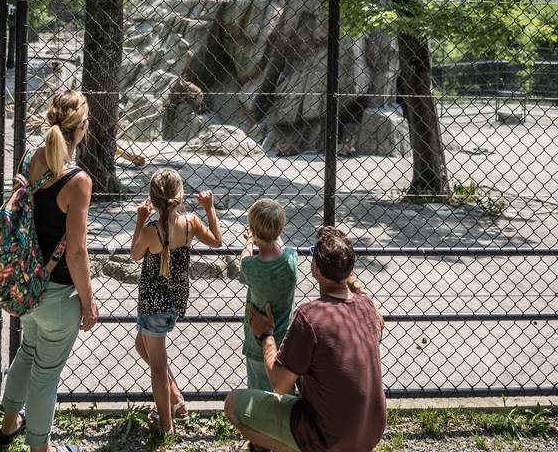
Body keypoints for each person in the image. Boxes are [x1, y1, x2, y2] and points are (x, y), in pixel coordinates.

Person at [0, 90, 99, 452]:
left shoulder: (29, 159)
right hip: (57, 294)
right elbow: (76, 252)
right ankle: (41, 448)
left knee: (26, 352)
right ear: (82, 126)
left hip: (26, 284)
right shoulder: (78, 181)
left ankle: (9, 423)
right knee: (46, 375)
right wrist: (88, 302)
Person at [224, 226, 387, 452]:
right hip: (371, 432)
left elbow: (280, 384)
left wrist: (266, 335)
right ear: (350, 269)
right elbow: (379, 317)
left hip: (327, 439)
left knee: (233, 404)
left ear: (315, 269)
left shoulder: (310, 316)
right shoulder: (367, 307)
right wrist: (354, 283)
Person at [130, 168, 223, 434]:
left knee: (157, 367)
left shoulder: (150, 230)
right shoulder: (191, 222)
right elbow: (217, 241)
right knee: (141, 344)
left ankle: (166, 425)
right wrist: (209, 208)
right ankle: (176, 398)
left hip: (152, 304)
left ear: (153, 199)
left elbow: (135, 255)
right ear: (180, 197)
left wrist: (140, 219)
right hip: (175, 301)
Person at [237, 199, 298, 393]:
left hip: (258, 342)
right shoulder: (291, 258)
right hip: (286, 342)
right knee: (284, 394)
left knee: (259, 394)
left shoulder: (251, 267)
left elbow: (244, 258)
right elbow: (281, 245)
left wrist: (249, 240)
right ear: (280, 228)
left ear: (252, 228)